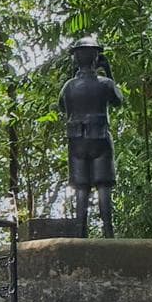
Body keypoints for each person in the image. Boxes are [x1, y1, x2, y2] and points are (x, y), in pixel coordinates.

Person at [57, 36, 123, 238]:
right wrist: (109, 72)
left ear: (75, 60)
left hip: (77, 139)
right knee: (103, 184)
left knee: (81, 186)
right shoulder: (105, 83)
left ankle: (80, 232)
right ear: (97, 59)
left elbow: (62, 106)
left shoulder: (68, 86)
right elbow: (118, 100)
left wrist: (72, 76)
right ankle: (108, 232)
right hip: (100, 136)